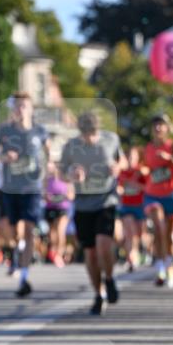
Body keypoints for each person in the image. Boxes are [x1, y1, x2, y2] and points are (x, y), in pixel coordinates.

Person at [0, 92, 51, 297]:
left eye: (24, 106)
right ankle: (17, 248)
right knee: (10, 231)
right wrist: (2, 157)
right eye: (17, 107)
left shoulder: (40, 131)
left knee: (28, 229)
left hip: (32, 188)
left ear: (31, 109)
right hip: (9, 188)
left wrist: (50, 170)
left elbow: (49, 154)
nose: (20, 110)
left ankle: (24, 275)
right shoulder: (3, 131)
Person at [60, 111, 126, 315]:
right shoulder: (70, 146)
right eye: (85, 134)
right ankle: (99, 295)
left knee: (103, 245)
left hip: (106, 200)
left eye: (92, 133)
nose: (89, 138)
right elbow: (61, 172)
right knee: (89, 252)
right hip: (82, 203)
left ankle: (109, 278)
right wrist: (71, 174)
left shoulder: (111, 139)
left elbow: (123, 161)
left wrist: (117, 167)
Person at [143, 114, 173, 288]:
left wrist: (170, 159)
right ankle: (160, 266)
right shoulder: (147, 148)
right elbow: (143, 167)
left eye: (161, 125)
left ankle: (168, 266)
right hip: (152, 194)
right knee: (159, 226)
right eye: (155, 125)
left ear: (167, 129)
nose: (158, 128)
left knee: (168, 234)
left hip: (171, 195)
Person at [116, 146, 147, 272]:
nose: (131, 159)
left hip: (140, 206)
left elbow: (148, 188)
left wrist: (136, 185)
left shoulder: (141, 171)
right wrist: (120, 190)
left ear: (138, 158)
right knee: (130, 232)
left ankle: (140, 252)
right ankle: (131, 259)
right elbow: (118, 188)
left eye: (133, 157)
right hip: (126, 206)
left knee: (138, 234)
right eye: (129, 157)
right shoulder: (122, 173)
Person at [43, 162, 73, 267]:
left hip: (63, 208)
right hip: (50, 208)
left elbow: (71, 196)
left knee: (61, 230)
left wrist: (61, 197)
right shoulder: (47, 180)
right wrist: (49, 198)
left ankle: (59, 255)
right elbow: (44, 195)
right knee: (52, 232)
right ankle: (53, 252)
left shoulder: (67, 180)